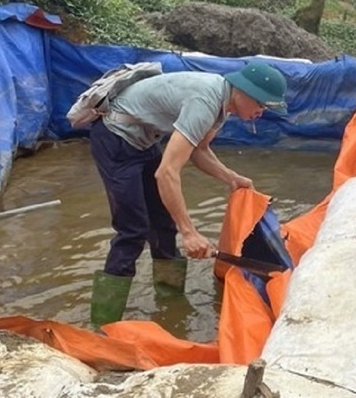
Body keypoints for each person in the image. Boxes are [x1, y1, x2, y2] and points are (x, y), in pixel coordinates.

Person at [88, 61, 288, 327]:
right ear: (244, 91)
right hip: (115, 138)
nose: (261, 112)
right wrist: (190, 232)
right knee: (133, 230)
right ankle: (103, 324)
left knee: (163, 225)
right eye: (261, 104)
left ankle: (170, 304)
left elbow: (199, 151)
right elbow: (167, 173)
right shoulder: (206, 101)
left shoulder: (222, 104)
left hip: (144, 140)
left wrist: (232, 178)